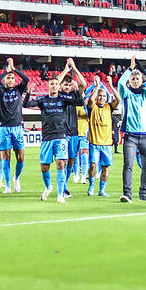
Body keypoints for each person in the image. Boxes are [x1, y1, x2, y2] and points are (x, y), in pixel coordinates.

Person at [25, 76, 78, 203]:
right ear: (48, 86)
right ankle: (48, 187)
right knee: (44, 167)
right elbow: (26, 104)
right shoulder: (43, 100)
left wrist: (76, 91)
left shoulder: (63, 99)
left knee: (61, 163)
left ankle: (60, 194)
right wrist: (28, 93)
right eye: (52, 84)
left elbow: (79, 102)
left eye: (56, 84)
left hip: (61, 137)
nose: (54, 86)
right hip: (47, 138)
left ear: (58, 86)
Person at [118, 56, 146, 202]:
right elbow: (120, 83)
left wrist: (142, 70)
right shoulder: (126, 94)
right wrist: (129, 69)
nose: (135, 81)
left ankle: (143, 193)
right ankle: (127, 193)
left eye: (138, 79)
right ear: (130, 81)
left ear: (142, 81)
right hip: (130, 135)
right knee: (128, 164)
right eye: (133, 79)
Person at [0, 58, 30, 194]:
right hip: (4, 127)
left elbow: (26, 79)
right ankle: (8, 185)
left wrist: (14, 69)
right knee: (6, 156)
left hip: (17, 127)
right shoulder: (1, 91)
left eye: (12, 78)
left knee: (20, 157)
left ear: (15, 81)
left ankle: (17, 177)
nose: (10, 80)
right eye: (8, 78)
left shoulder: (19, 90)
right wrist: (5, 72)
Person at [86, 75, 121, 197]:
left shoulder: (109, 107)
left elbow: (118, 100)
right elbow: (90, 100)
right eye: (100, 96)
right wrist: (97, 87)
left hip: (106, 144)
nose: (101, 97)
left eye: (104, 96)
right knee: (93, 165)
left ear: (107, 98)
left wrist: (111, 86)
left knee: (105, 168)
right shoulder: (93, 106)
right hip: (94, 143)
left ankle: (102, 190)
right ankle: (91, 186)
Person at [57, 58, 86, 197]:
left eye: (69, 85)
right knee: (62, 161)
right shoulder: (58, 96)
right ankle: (62, 188)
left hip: (74, 132)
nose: (67, 87)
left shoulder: (74, 96)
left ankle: (64, 186)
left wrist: (74, 68)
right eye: (65, 85)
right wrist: (67, 70)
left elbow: (83, 84)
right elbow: (54, 83)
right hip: (61, 133)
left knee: (71, 161)